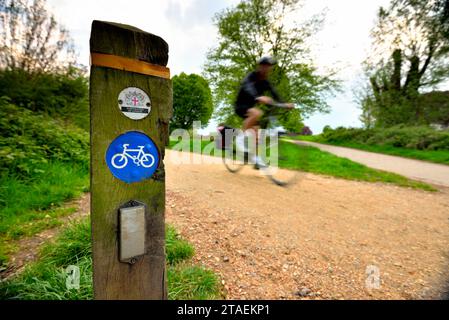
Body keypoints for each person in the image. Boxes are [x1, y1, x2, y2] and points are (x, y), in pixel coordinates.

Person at [234, 56, 294, 166]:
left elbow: (274, 93)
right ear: (260, 66)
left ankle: (256, 159)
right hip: (240, 105)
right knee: (257, 113)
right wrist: (257, 97)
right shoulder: (252, 76)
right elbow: (247, 86)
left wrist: (284, 103)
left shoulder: (266, 82)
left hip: (251, 108)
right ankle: (240, 139)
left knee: (257, 133)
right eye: (265, 66)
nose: (267, 69)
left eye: (269, 67)